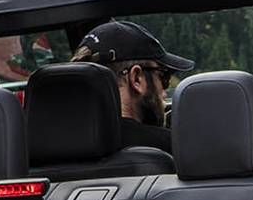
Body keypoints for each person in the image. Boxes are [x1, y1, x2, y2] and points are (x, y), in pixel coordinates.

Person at [69, 20, 194, 152]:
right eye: (163, 77)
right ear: (136, 78)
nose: (164, 92)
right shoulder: (173, 148)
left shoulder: (53, 149)